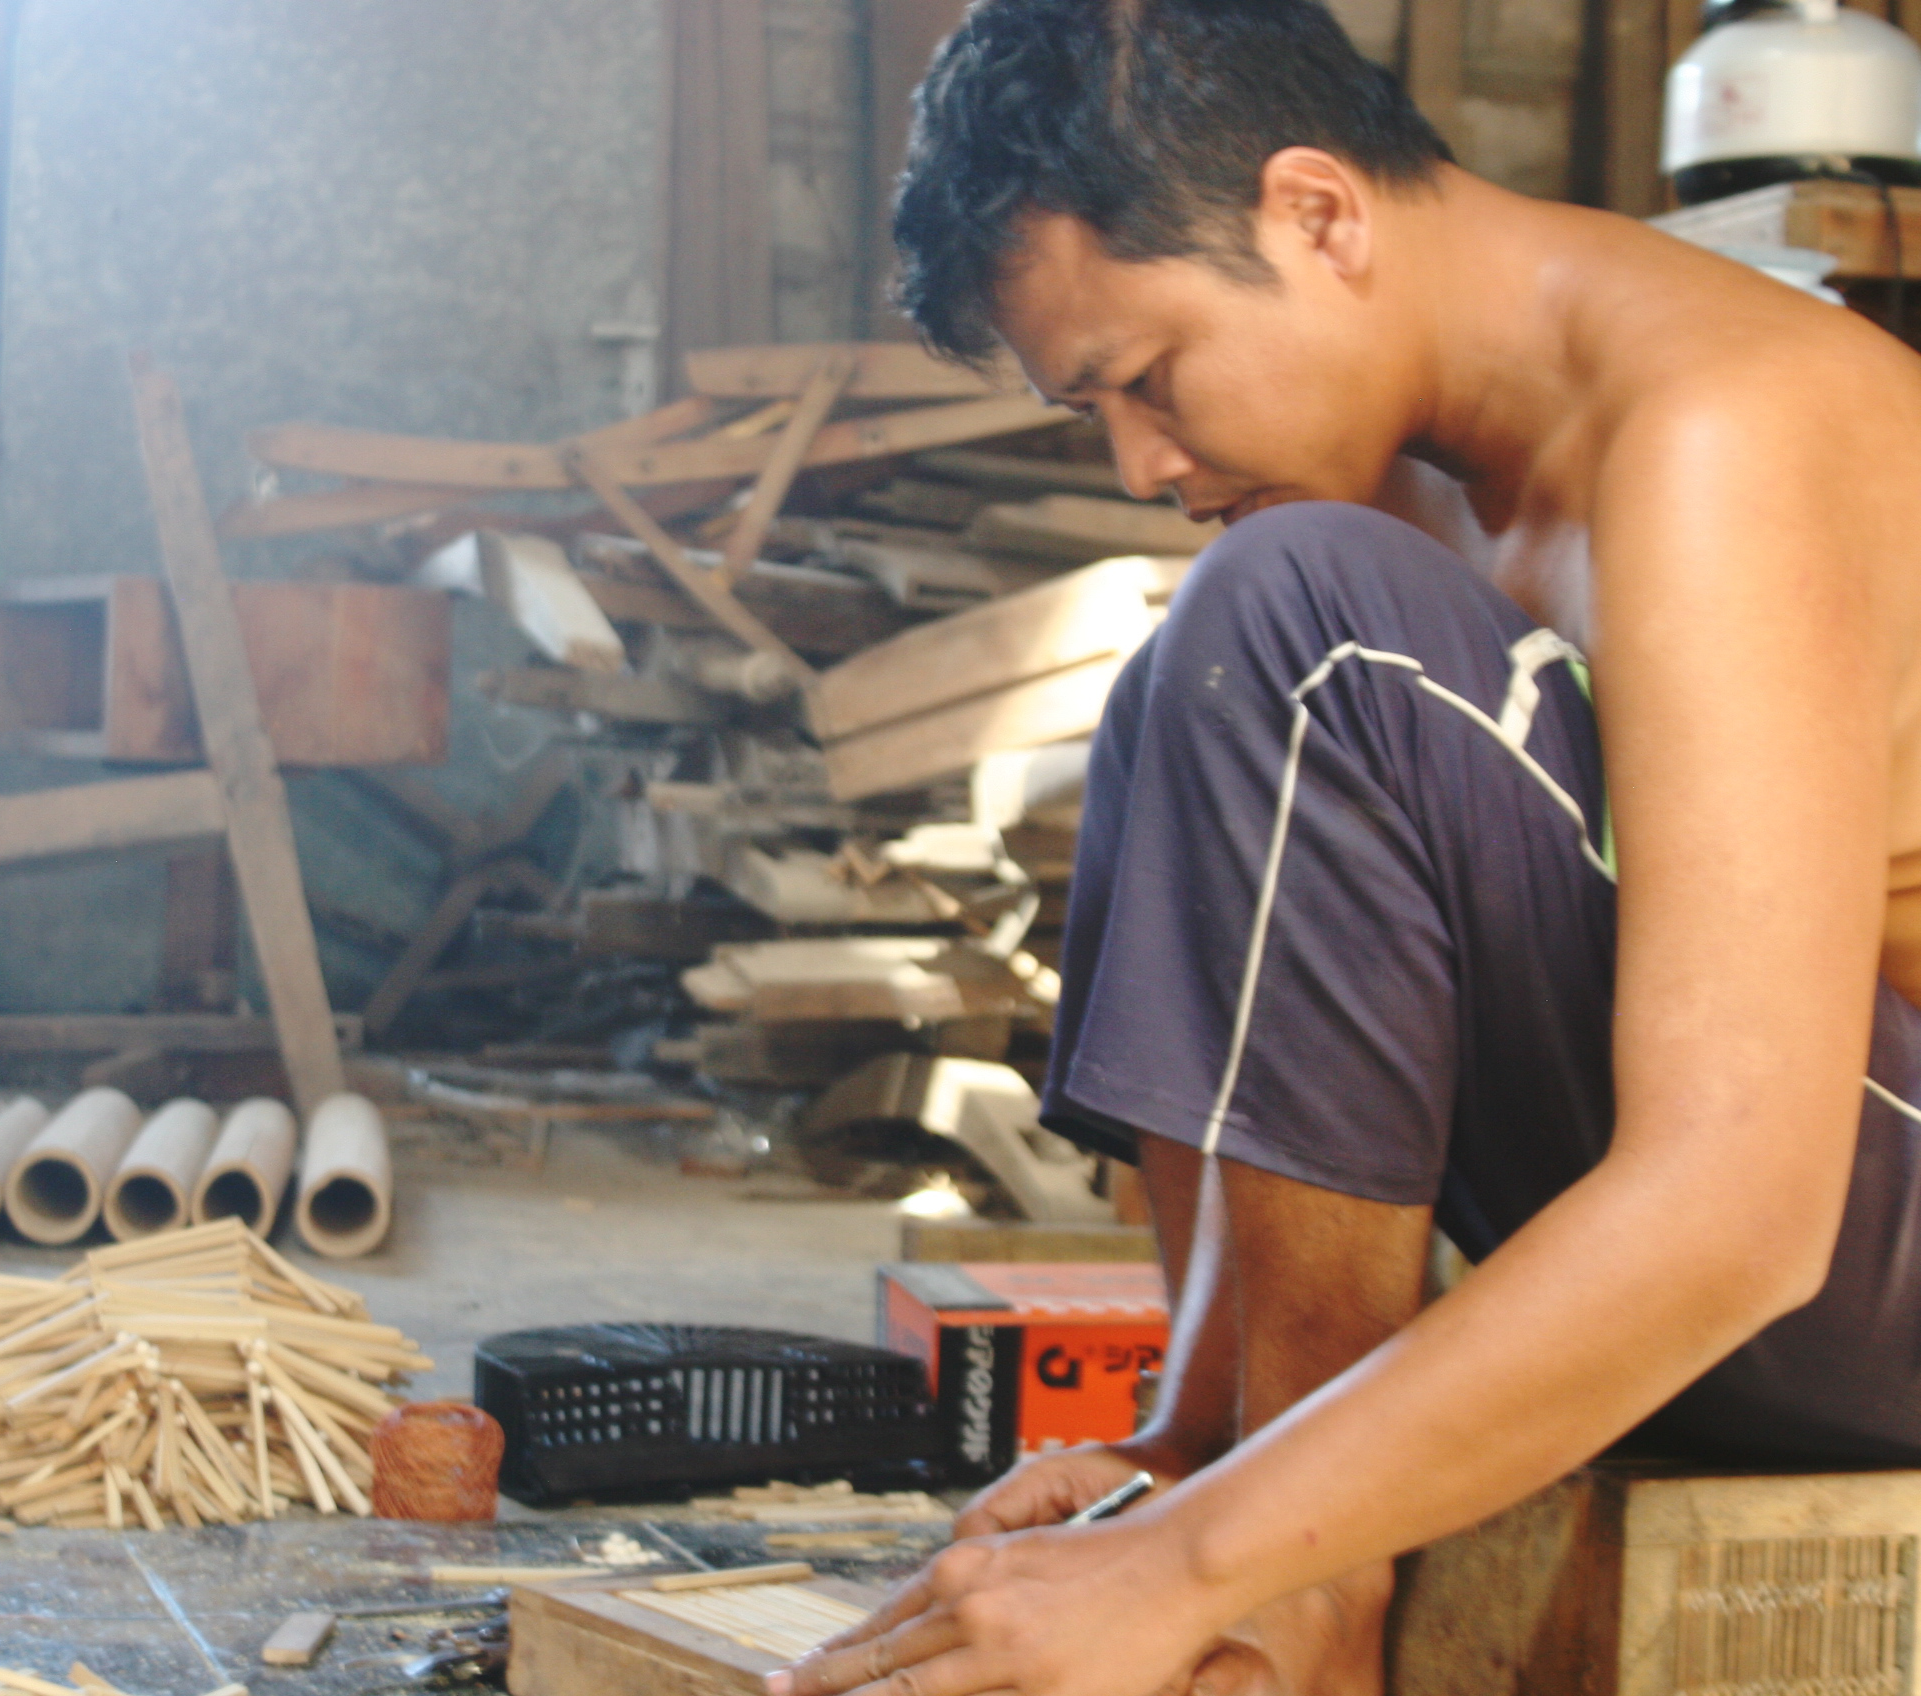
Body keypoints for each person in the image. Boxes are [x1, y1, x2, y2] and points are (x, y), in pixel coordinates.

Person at [767, 2, 1921, 1693]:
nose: (1144, 463)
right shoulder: (1417, 482)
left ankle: (1300, 1598)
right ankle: (1241, 1453)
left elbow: (1741, 1212)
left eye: (1146, 382)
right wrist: (1188, 1451)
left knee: (1290, 608)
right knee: (1190, 666)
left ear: (1320, 213)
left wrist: (1194, 1564)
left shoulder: (1722, 426)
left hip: (1847, 1248)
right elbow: (1299, 1019)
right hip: (1821, 1268)